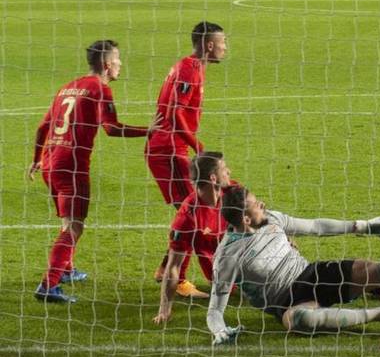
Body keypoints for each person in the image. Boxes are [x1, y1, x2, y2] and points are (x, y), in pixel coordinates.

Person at [206, 185, 380, 345]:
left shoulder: (273, 219)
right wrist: (219, 330)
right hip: (285, 301)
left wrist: (363, 226)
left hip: (310, 274)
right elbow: (215, 310)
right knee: (298, 322)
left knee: (376, 269)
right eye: (257, 204)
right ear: (244, 219)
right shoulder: (228, 256)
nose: (263, 205)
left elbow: (315, 226)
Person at [30, 40, 157, 302]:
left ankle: (67, 269)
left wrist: (35, 159)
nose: (121, 64)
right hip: (72, 167)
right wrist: (150, 130)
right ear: (107, 64)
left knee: (68, 221)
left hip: (50, 162)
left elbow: (42, 128)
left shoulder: (67, 87)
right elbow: (111, 128)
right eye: (118, 60)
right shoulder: (100, 89)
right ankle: (48, 285)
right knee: (74, 227)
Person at [146, 22, 227, 298]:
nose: (226, 47)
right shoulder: (190, 69)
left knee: (191, 210)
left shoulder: (190, 66)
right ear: (209, 45)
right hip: (168, 150)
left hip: (170, 148)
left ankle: (164, 269)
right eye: (223, 42)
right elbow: (174, 113)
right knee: (194, 213)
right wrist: (198, 147)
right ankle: (179, 281)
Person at [153, 152, 233, 322]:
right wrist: (164, 310)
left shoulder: (232, 191)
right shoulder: (187, 218)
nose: (229, 172)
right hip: (222, 273)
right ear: (213, 178)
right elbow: (173, 266)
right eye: (225, 169)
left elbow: (259, 214)